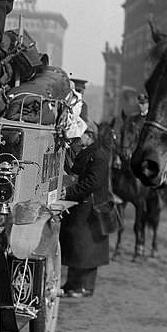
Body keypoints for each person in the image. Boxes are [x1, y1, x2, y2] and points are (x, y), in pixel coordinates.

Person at [59, 124, 111, 298]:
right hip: (83, 205)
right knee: (77, 247)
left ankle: (85, 287)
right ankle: (71, 284)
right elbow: (76, 171)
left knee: (87, 250)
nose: (79, 138)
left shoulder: (99, 156)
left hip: (91, 208)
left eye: (81, 135)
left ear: (90, 136)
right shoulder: (90, 152)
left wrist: (69, 191)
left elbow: (93, 183)